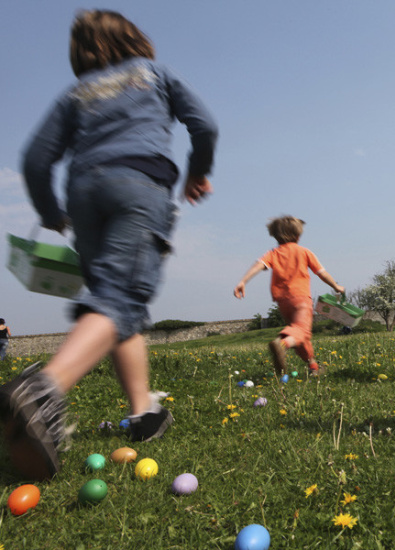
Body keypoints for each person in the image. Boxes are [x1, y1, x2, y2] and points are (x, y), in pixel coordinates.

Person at [0, 9, 218, 480]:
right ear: (134, 40)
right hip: (138, 184)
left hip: (84, 194)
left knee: (119, 305)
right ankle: (42, 390)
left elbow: (36, 160)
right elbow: (204, 125)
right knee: (121, 296)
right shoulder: (154, 73)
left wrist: (50, 214)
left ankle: (143, 413)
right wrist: (199, 171)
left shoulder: (73, 94)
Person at [234, 216, 344, 377]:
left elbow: (259, 265)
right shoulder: (304, 252)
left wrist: (243, 281)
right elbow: (321, 273)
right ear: (298, 235)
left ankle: (313, 366)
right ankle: (282, 344)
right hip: (301, 298)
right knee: (302, 331)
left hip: (283, 301)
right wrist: (335, 286)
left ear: (275, 236)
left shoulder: (273, 253)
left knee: (298, 334)